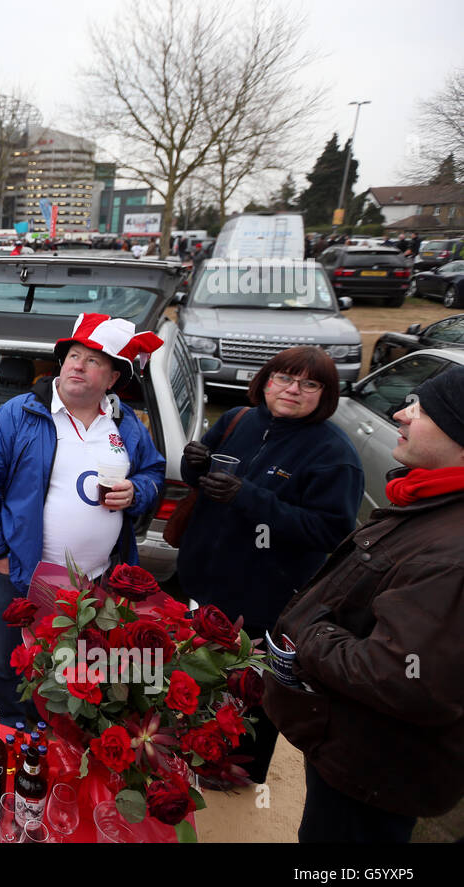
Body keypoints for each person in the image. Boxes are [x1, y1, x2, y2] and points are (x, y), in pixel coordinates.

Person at [265, 365, 464, 842]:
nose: (401, 413)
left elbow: (405, 676)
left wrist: (309, 633)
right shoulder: (429, 502)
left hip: (377, 770)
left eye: (421, 408)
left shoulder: (453, 550)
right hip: (354, 752)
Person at [0, 313, 167, 720]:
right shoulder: (19, 414)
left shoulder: (125, 424)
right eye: (73, 355)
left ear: (112, 379)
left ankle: (50, 740)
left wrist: (137, 491)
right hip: (25, 574)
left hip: (97, 579)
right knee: (7, 661)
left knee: (72, 665)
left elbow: (153, 473)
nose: (77, 365)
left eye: (92, 361)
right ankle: (4, 735)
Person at [177, 347, 363, 783]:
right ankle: (191, 752)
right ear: (265, 380)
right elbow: (196, 480)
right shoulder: (239, 420)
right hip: (204, 581)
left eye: (308, 384)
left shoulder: (334, 454)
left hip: (264, 597)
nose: (292, 390)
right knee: (197, 674)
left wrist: (249, 497)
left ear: (325, 394)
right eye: (283, 378)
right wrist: (193, 463)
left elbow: (330, 532)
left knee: (250, 691)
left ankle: (235, 773)